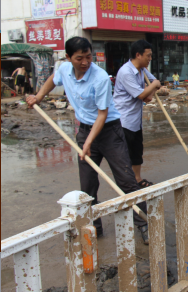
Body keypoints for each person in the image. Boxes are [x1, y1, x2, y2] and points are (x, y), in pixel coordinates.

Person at [26, 37, 149, 243]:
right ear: (68, 58)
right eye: (79, 58)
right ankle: (95, 227)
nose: (85, 62)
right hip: (84, 130)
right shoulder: (65, 69)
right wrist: (38, 97)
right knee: (88, 186)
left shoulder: (100, 77)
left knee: (126, 180)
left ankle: (143, 223)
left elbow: (102, 115)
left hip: (109, 132)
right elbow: (53, 79)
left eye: (88, 57)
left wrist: (89, 142)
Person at [114, 39, 167, 188]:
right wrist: (152, 88)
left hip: (135, 120)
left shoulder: (142, 69)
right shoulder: (126, 72)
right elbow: (141, 94)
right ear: (138, 55)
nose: (150, 59)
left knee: (137, 152)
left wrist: (151, 89)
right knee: (125, 155)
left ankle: (137, 179)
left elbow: (153, 81)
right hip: (123, 120)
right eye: (148, 56)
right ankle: (127, 183)